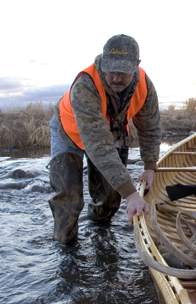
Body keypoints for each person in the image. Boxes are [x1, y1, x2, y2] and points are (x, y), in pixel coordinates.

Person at [48, 34, 161, 243]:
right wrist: (132, 195)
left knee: (110, 200)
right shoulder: (85, 85)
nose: (116, 78)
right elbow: (97, 145)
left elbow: (150, 127)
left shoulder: (145, 84)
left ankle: (98, 229)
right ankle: (66, 250)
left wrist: (150, 166)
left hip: (111, 133)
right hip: (68, 133)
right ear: (102, 60)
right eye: (111, 71)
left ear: (137, 65)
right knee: (69, 200)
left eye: (123, 72)